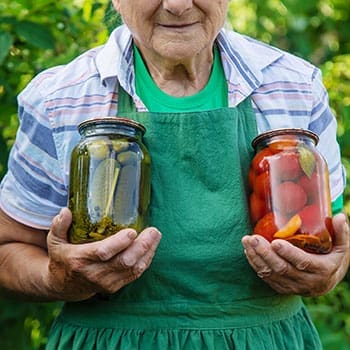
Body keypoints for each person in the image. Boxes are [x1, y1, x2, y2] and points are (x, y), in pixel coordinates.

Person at [0, 0, 349, 349]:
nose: (179, 5)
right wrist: (58, 280)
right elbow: (7, 249)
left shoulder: (296, 87)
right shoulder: (59, 98)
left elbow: (330, 241)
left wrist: (326, 273)